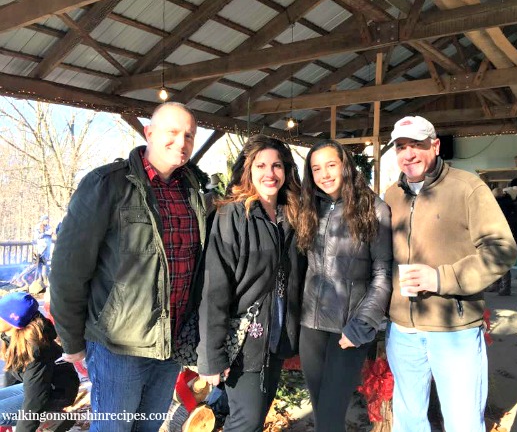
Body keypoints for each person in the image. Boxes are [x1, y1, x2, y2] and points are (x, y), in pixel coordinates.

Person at [50, 102, 207, 432]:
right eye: (173, 132)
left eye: (189, 135)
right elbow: (68, 269)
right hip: (117, 347)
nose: (181, 142)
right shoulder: (108, 184)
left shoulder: (193, 190)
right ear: (149, 133)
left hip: (171, 344)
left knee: (148, 428)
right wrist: (72, 341)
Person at [384, 116, 517, 432]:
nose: (409, 153)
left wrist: (443, 278)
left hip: (454, 330)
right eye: (401, 146)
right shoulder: (391, 195)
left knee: (463, 421)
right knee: (408, 419)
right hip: (402, 331)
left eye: (417, 144)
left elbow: (502, 249)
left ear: (436, 145)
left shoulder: (468, 188)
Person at [197, 135, 306, 432]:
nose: (269, 173)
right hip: (243, 341)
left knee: (247, 420)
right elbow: (214, 289)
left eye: (277, 165)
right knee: (245, 424)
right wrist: (212, 356)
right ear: (247, 170)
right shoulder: (232, 215)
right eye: (260, 165)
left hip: (276, 337)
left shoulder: (291, 214)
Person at [296, 140, 392, 432]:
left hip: (348, 328)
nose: (324, 174)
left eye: (330, 165)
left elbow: (383, 272)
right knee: (322, 412)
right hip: (311, 326)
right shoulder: (310, 208)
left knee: (329, 414)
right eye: (316, 168)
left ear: (345, 166)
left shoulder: (374, 208)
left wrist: (362, 324)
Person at [0, 292, 79, 431]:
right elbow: (12, 372)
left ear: (13, 320)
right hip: (36, 387)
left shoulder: (36, 349)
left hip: (56, 391)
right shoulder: (11, 336)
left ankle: (52, 420)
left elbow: (35, 400)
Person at [32, 215, 53, 284]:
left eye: (47, 219)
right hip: (40, 248)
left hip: (47, 247)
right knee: (39, 263)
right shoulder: (38, 227)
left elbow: (50, 235)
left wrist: (47, 234)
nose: (47, 221)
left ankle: (44, 278)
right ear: (42, 220)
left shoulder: (48, 227)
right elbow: (36, 237)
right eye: (46, 219)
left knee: (45, 263)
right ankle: (39, 278)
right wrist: (44, 233)